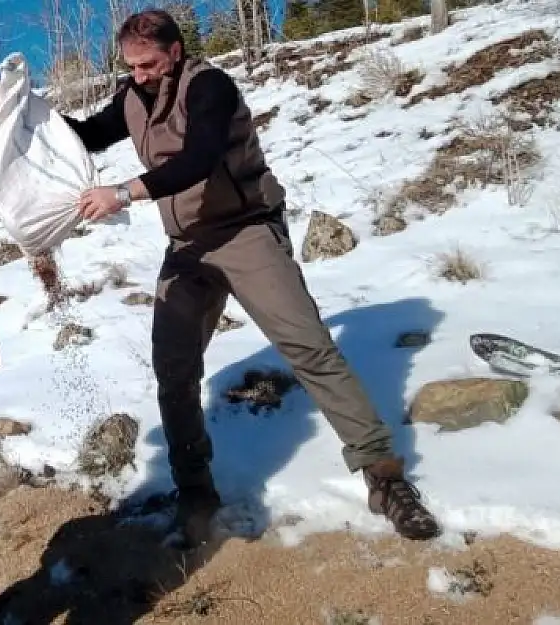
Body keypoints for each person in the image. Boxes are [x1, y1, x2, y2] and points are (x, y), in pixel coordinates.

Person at [62, 9, 440, 546]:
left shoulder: (209, 86)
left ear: (174, 52)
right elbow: (87, 136)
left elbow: (198, 159)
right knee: (173, 368)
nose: (139, 75)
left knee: (310, 349)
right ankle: (194, 490)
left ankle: (385, 479)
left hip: (246, 232)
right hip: (188, 246)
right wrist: (32, 121)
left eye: (148, 64)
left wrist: (121, 194)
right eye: (130, 66)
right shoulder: (131, 98)